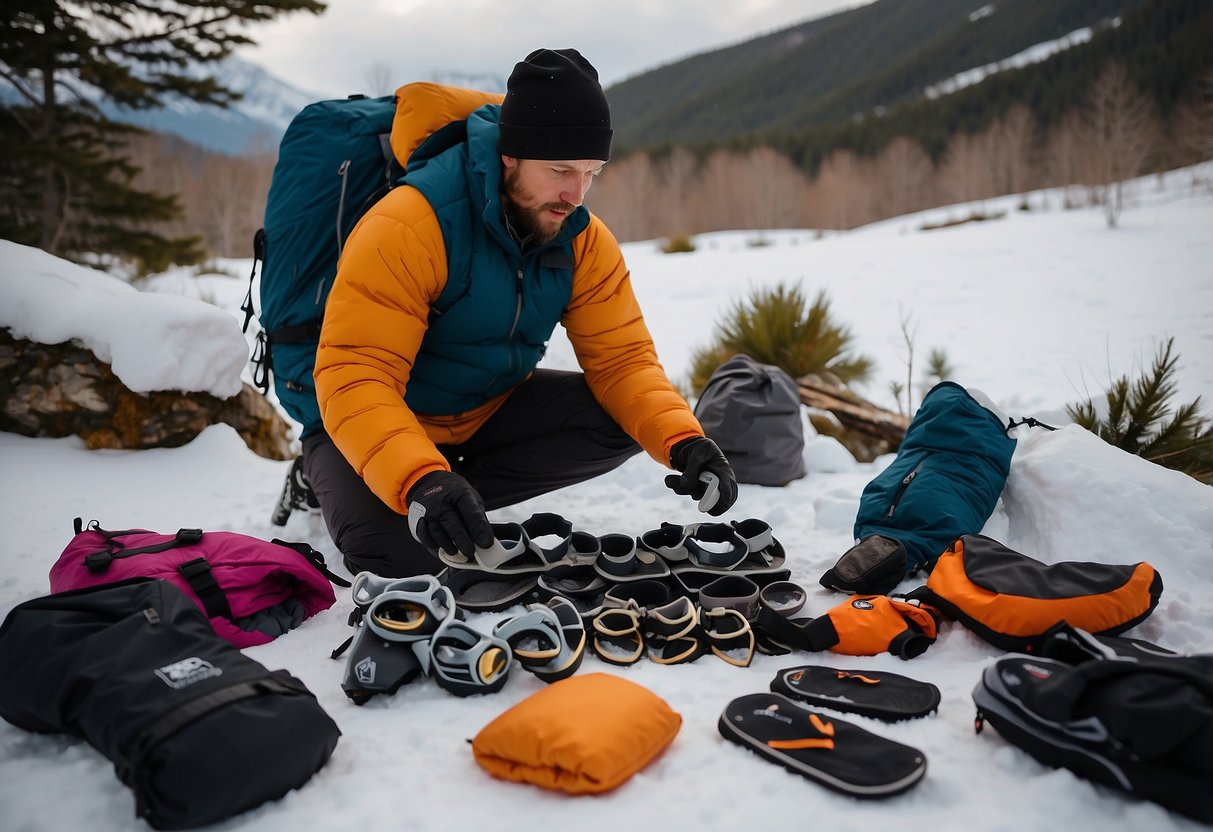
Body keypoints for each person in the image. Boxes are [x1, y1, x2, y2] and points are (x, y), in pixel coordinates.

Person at [308, 47, 738, 578]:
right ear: (509, 156)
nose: (575, 195)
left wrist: (685, 440)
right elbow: (356, 374)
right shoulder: (410, 225)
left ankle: (450, 497)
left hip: (485, 412)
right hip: (370, 418)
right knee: (401, 561)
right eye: (560, 170)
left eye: (590, 173)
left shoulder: (581, 238)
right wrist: (419, 477)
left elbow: (622, 360)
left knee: (622, 422)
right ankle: (383, 483)